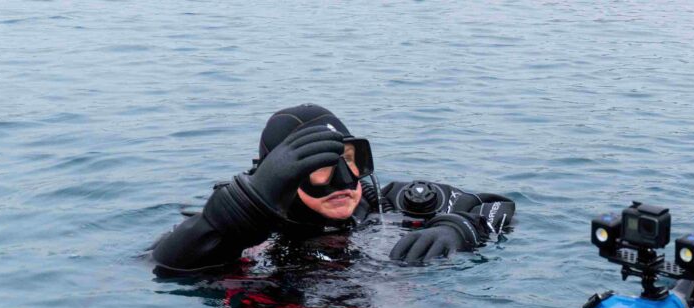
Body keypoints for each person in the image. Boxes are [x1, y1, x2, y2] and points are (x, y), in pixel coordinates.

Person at [152, 104, 515, 272]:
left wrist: (458, 230)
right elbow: (164, 263)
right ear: (281, 175)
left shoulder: (389, 204)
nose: (345, 180)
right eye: (321, 169)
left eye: (349, 160)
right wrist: (243, 212)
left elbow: (498, 208)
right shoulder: (237, 229)